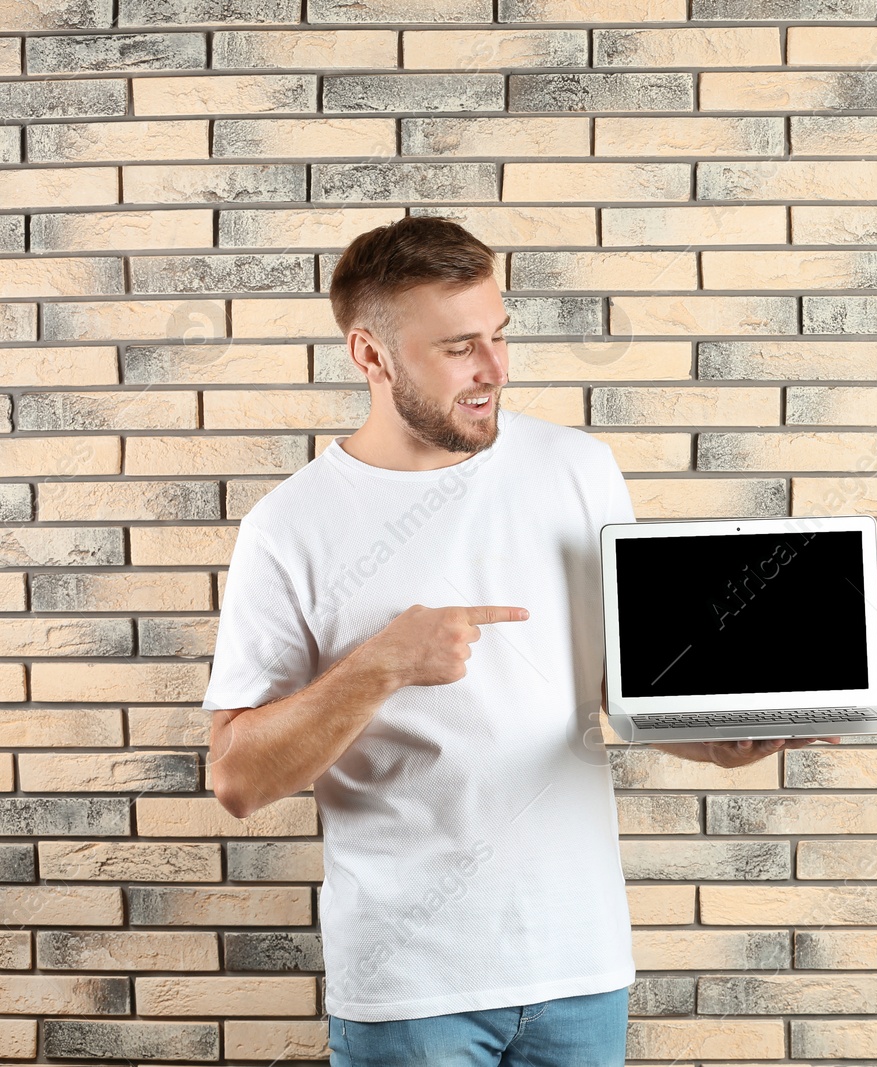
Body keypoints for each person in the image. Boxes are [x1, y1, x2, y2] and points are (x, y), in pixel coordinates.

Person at [203, 216, 837, 1067]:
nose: (496, 370)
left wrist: (716, 742)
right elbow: (238, 777)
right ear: (370, 355)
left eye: (500, 335)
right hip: (412, 992)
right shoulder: (289, 526)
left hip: (581, 968)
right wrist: (382, 664)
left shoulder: (577, 469)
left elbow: (631, 686)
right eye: (461, 346)